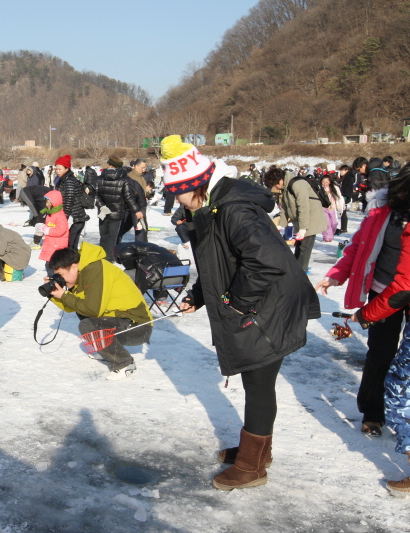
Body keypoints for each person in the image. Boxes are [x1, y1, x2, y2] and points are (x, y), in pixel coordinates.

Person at [159, 135, 319, 490]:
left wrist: (235, 302)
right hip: (261, 302)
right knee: (256, 383)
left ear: (194, 185)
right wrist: (201, 294)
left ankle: (252, 467)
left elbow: (268, 263)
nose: (176, 200)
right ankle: (256, 450)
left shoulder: (233, 209)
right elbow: (218, 262)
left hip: (269, 305)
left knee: (259, 384)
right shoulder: (210, 209)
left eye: (177, 192)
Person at [316, 164, 410, 437]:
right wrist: (337, 275)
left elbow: (405, 283)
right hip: (383, 289)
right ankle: (373, 411)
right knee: (381, 353)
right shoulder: (383, 208)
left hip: (404, 289)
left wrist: (365, 315)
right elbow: (360, 245)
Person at [48, 244, 153, 380]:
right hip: (121, 320)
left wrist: (64, 295)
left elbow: (93, 310)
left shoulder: (95, 269)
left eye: (60, 275)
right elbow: (72, 306)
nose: (60, 279)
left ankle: (125, 363)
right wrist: (54, 294)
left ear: (74, 266)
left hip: (138, 327)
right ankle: (106, 351)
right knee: (82, 311)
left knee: (88, 325)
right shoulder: (84, 271)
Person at [278, 167, 326, 272]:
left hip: (310, 218)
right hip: (302, 220)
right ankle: (297, 270)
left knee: (305, 247)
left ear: (280, 180)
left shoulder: (298, 184)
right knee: (299, 245)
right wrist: (281, 224)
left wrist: (303, 228)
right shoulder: (286, 186)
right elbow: (285, 207)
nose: (276, 188)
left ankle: (301, 271)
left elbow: (303, 206)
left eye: (276, 185)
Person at [95, 156, 143, 259]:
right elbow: (128, 197)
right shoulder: (125, 179)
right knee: (113, 237)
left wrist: (102, 206)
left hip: (103, 212)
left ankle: (101, 256)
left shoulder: (99, 178)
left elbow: (96, 195)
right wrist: (136, 210)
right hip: (117, 213)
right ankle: (109, 258)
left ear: (110, 165)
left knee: (103, 236)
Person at [53, 154, 87, 250]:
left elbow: (68, 201)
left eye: (59, 169)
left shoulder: (69, 181)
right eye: (56, 169)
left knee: (69, 246)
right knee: (71, 246)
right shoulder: (64, 179)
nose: (57, 171)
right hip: (76, 218)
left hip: (76, 218)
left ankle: (71, 262)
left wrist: (63, 219)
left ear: (66, 169)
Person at [38, 190, 69, 276]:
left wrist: (47, 230)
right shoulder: (51, 213)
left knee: (52, 266)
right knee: (49, 265)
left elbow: (60, 230)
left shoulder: (60, 216)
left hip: (57, 246)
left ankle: (54, 282)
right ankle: (53, 281)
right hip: (51, 244)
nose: (47, 204)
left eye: (49, 202)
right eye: (46, 202)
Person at [320, 174, 345, 242]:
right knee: (326, 223)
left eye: (326, 182)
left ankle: (331, 234)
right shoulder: (320, 188)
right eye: (323, 182)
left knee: (334, 223)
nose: (324, 184)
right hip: (323, 208)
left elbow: (339, 197)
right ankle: (327, 237)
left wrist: (342, 205)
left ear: (330, 182)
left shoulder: (334, 188)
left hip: (333, 208)